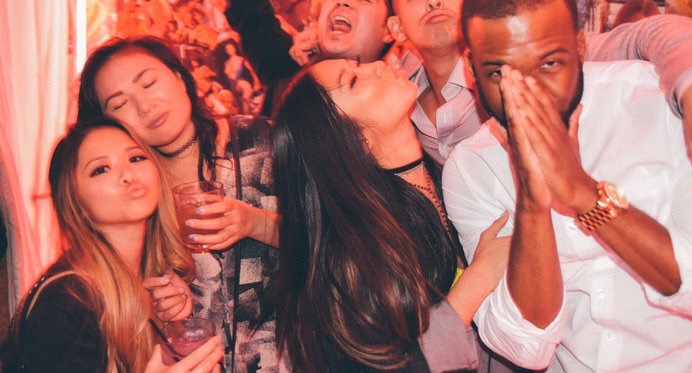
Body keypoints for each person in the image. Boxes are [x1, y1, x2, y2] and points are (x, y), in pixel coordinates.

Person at [443, 0, 692, 371]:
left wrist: (587, 198)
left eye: (549, 64)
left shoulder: (658, 103)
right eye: (500, 72)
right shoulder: (471, 167)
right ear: (470, 69)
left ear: (580, 47)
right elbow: (524, 348)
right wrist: (532, 201)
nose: (529, 93)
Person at [382, 0, 692, 209]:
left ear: (473, 1)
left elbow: (654, 33)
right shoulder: (399, 101)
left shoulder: (544, 57)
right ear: (397, 27)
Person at [271, 58, 511, 371]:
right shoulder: (354, 259)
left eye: (359, 64)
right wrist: (479, 278)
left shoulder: (444, 175)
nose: (377, 65)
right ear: (355, 141)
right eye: (353, 80)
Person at [77, 37, 280, 372]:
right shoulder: (134, 196)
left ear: (179, 77)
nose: (145, 105)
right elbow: (123, 311)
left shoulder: (263, 139)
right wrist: (161, 308)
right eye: (120, 104)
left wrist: (255, 223)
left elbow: (340, 239)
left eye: (149, 83)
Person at [3, 118, 224, 372]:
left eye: (136, 158)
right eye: (101, 169)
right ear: (77, 203)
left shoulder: (155, 282)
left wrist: (175, 326)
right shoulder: (67, 302)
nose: (128, 175)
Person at [217, 0, 394, 114]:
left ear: (390, 29)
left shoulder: (394, 105)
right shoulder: (291, 70)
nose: (343, 1)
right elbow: (252, 17)